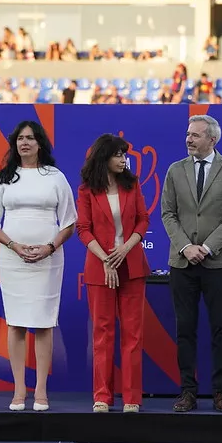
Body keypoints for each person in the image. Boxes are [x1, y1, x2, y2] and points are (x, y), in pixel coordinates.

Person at [0, 121, 77, 412]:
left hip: (48, 259)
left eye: (31, 138)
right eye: (20, 138)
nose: (25, 143)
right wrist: (14, 245)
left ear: (40, 144)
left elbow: (70, 222)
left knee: (44, 322)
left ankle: (41, 392)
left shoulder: (55, 177)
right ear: (15, 143)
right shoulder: (4, 178)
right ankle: (19, 390)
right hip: (13, 258)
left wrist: (49, 247)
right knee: (17, 322)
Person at [160, 114, 222, 413]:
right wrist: (186, 247)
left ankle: (221, 392)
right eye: (188, 134)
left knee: (220, 327)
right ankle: (188, 391)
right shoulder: (174, 170)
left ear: (212, 139)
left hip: (218, 262)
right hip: (182, 263)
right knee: (185, 328)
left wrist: (207, 248)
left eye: (195, 135)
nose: (188, 139)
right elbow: (167, 214)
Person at [76, 134, 151, 413]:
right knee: (102, 334)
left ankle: (132, 397)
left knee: (133, 334)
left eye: (125, 155)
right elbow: (83, 229)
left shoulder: (132, 185)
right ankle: (102, 396)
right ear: (104, 158)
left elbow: (143, 219)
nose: (123, 160)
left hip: (131, 265)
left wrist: (126, 248)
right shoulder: (86, 191)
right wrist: (107, 258)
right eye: (118, 155)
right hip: (100, 268)